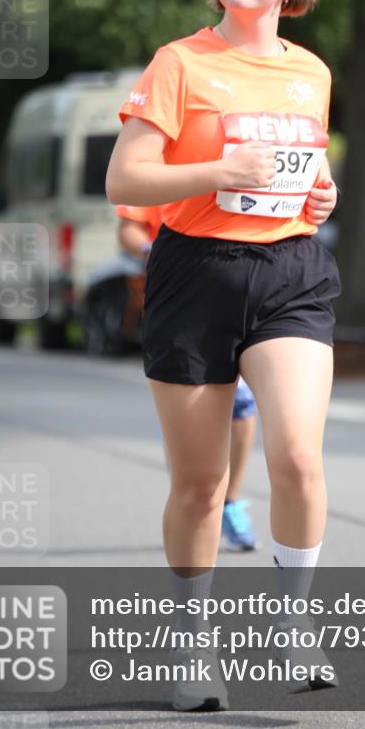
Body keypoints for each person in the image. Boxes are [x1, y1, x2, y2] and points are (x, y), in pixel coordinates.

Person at [106, 0, 340, 711]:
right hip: (194, 273)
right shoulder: (178, 63)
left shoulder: (310, 73)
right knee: (202, 485)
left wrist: (320, 189)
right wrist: (216, 167)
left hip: (291, 269)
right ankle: (190, 648)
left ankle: (292, 621)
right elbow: (126, 182)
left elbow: (300, 169)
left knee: (298, 457)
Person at [116, 202, 260, 551]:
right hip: (180, 292)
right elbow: (128, 230)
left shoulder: (239, 152)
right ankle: (193, 497)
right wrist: (155, 249)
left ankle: (229, 502)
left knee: (241, 404)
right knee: (190, 418)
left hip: (241, 285)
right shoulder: (158, 160)